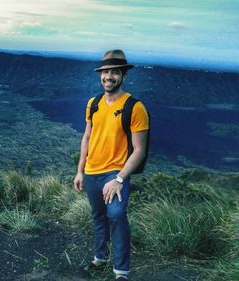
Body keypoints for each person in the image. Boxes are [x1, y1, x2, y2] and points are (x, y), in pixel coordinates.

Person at [73, 49, 149, 281]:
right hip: (92, 171)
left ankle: (121, 272)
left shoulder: (135, 107)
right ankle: (100, 257)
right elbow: (87, 137)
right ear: (100, 75)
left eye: (115, 72)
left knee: (115, 215)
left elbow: (140, 149)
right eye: (105, 72)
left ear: (123, 76)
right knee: (98, 216)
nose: (109, 77)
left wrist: (119, 179)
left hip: (115, 172)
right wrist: (79, 170)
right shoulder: (93, 104)